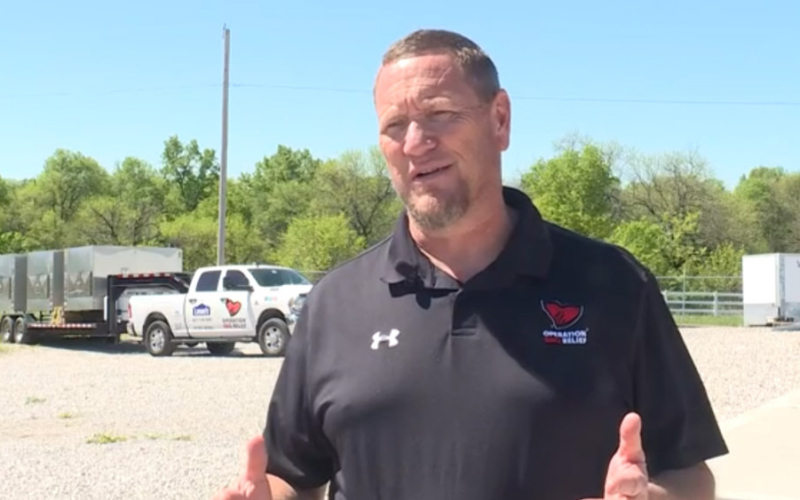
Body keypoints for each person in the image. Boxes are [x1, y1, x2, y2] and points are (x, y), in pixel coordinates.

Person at [212, 29, 728, 500]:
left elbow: (690, 475)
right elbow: (293, 477)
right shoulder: (336, 303)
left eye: (439, 114)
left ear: (499, 119)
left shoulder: (616, 285)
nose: (415, 143)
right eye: (395, 125)